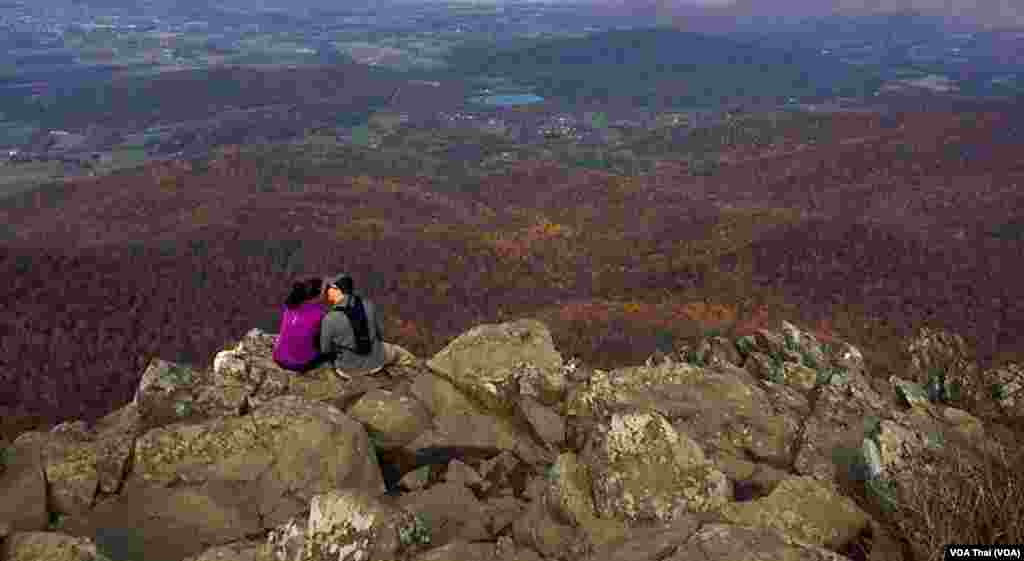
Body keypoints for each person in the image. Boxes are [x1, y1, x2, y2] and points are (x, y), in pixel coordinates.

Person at [320, 272, 416, 380]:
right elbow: (379, 333)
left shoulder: (329, 318)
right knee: (403, 355)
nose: (327, 290)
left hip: (347, 370)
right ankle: (420, 375)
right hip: (376, 363)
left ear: (339, 290)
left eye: (331, 287)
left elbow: (325, 350)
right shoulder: (367, 305)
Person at [272, 277, 329, 372]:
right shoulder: (320, 314)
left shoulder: (291, 305)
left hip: (278, 357)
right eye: (325, 290)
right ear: (319, 295)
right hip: (299, 364)